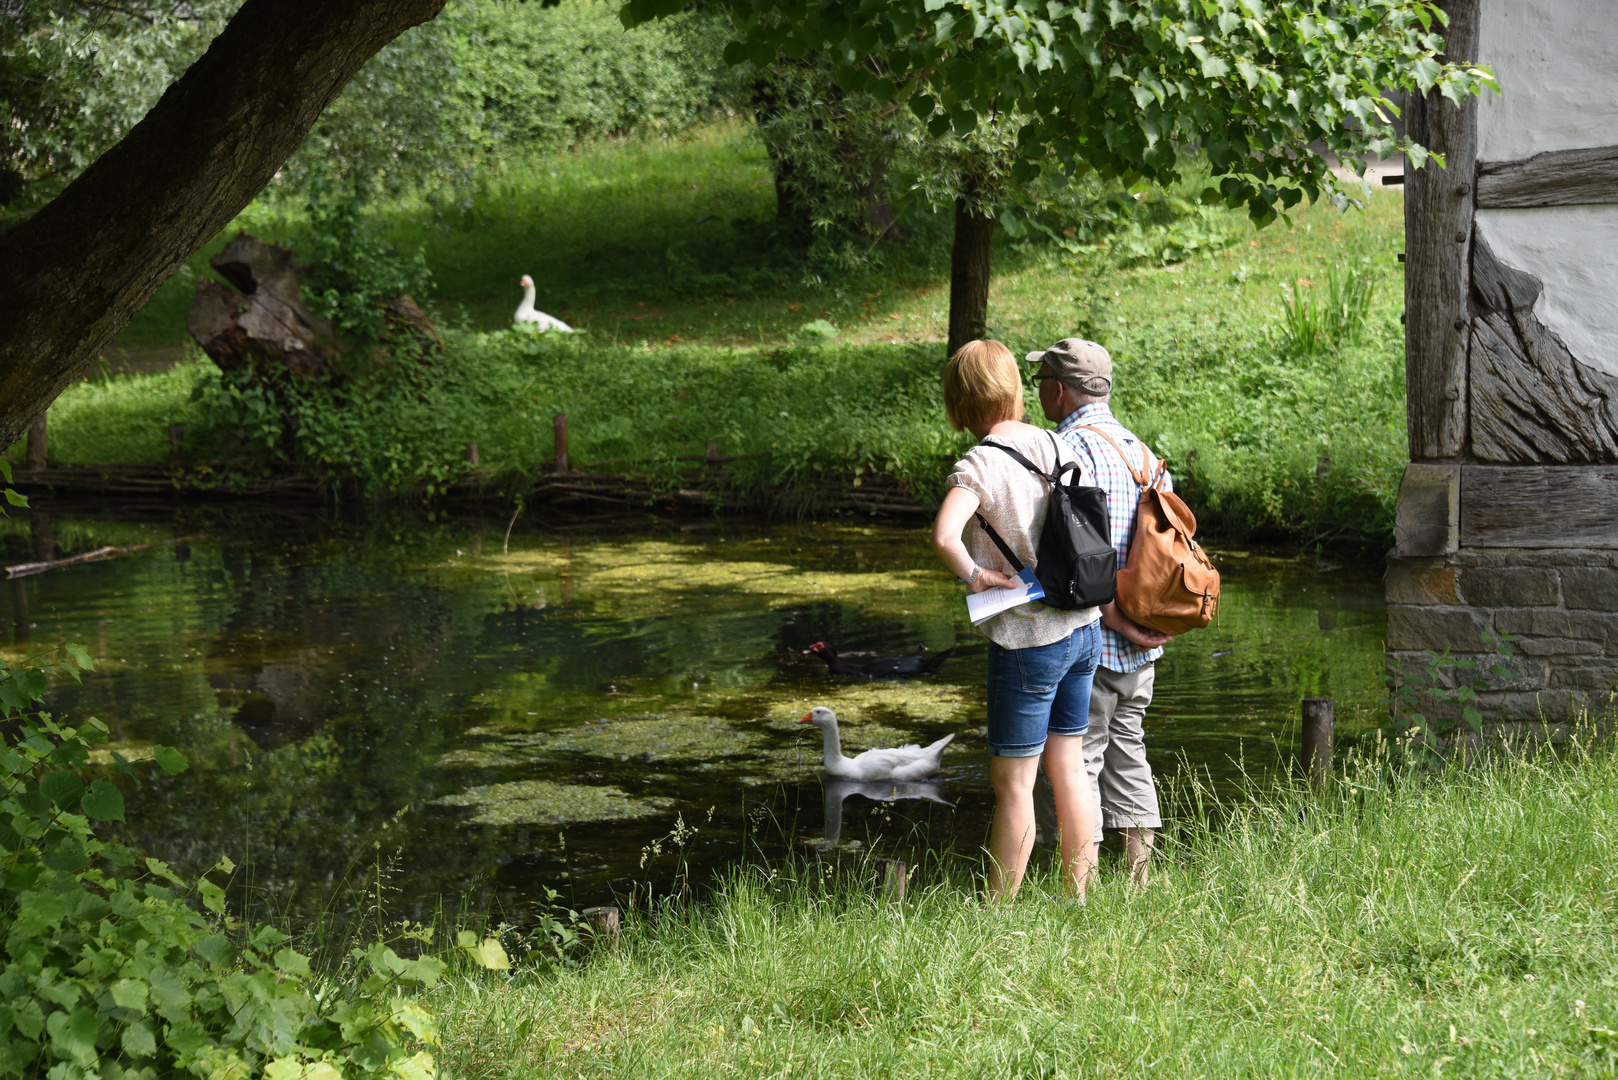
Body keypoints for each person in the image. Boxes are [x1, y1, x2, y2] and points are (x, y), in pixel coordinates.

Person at [930, 339, 1101, 901]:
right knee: (1070, 768)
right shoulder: (1054, 442)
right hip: (1083, 627)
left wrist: (975, 576)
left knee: (1013, 781)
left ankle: (997, 913)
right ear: (1013, 388)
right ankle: (1079, 896)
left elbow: (944, 537)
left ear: (961, 400)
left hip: (1028, 639)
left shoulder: (979, 462)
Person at [1030, 337, 1173, 886]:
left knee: (1079, 760)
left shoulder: (1065, 450)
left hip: (1089, 632)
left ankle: (1081, 884)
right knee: (1129, 751)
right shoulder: (1142, 452)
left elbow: (1064, 545)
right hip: (1144, 640)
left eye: (1041, 382)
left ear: (1058, 390)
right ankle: (1139, 878)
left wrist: (1111, 615)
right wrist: (1143, 622)